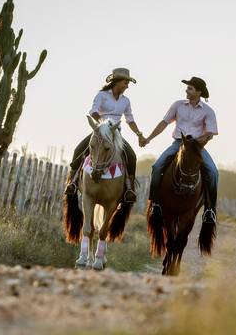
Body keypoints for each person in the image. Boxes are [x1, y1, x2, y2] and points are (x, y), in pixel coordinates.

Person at [142, 76, 219, 224]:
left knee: (214, 172)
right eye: (187, 87)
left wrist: (197, 142)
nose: (186, 90)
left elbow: (210, 134)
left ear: (199, 92)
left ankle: (210, 210)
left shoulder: (208, 111)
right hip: (178, 143)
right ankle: (155, 204)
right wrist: (149, 138)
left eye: (190, 88)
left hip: (196, 147)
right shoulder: (178, 105)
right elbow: (164, 123)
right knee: (157, 166)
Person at [64, 67, 146, 203]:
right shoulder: (101, 95)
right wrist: (102, 125)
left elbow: (130, 119)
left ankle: (129, 188)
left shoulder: (126, 101)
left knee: (131, 156)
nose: (127, 86)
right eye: (126, 83)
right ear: (117, 82)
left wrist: (139, 134)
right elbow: (93, 111)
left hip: (116, 134)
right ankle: (72, 182)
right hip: (100, 132)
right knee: (79, 150)